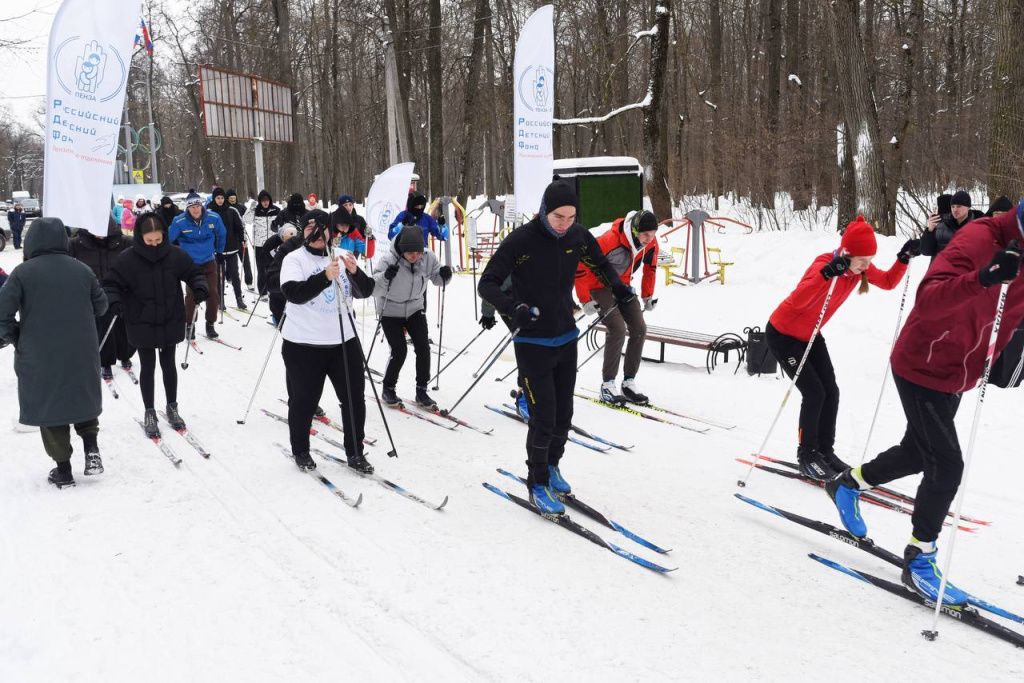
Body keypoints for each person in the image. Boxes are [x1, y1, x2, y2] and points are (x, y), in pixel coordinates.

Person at [826, 205, 1024, 605]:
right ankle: (919, 558)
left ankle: (848, 483)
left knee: (918, 452)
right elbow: (929, 297)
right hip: (922, 363)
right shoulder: (977, 239)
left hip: (958, 370)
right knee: (946, 464)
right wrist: (983, 278)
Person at [478, 179, 632, 515]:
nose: (564, 224)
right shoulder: (521, 240)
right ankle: (536, 483)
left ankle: (551, 466)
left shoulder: (577, 236)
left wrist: (618, 288)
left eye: (571, 217)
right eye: (558, 217)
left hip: (565, 336)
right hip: (532, 341)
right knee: (544, 415)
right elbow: (486, 283)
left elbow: (601, 264)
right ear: (544, 211)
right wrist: (511, 306)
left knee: (564, 413)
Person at [765, 216, 919, 481]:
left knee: (831, 392)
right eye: (863, 261)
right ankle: (807, 454)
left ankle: (825, 450)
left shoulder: (856, 268)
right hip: (783, 334)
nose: (867, 266)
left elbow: (888, 281)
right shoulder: (824, 264)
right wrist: (826, 275)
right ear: (847, 254)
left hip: (810, 335)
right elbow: (798, 302)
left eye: (870, 261)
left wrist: (903, 258)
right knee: (814, 393)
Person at [0, 217, 109, 488]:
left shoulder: (22, 273)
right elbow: (102, 306)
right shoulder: (82, 270)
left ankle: (63, 469)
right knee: (81, 394)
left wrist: (16, 336)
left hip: (39, 353)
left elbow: (2, 314)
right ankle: (91, 448)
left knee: (49, 405)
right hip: (81, 348)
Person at [279, 209, 375, 473]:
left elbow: (366, 290)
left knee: (354, 399)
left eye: (323, 229)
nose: (318, 235)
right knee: (304, 401)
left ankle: (355, 452)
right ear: (303, 233)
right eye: (311, 229)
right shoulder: (293, 259)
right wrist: (324, 277)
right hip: (303, 344)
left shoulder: (342, 256)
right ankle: (301, 450)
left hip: (344, 341)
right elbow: (294, 294)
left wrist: (355, 273)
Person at [104, 213, 209, 437]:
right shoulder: (127, 259)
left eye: (158, 240)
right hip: (140, 319)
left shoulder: (175, 255)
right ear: (141, 238)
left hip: (170, 316)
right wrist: (114, 301)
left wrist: (199, 286)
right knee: (148, 366)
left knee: (169, 364)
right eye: (149, 241)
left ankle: (172, 407)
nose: (154, 245)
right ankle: (149, 411)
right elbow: (111, 284)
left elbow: (193, 273)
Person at [574, 209, 660, 404]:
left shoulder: (651, 243)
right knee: (618, 328)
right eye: (646, 234)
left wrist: (647, 296)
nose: (649, 239)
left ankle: (629, 381)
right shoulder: (609, 240)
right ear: (636, 230)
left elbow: (650, 268)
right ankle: (608, 384)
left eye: (653, 234)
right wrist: (585, 299)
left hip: (623, 287)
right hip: (598, 287)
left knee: (639, 328)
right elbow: (581, 265)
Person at [373, 224, 451, 408]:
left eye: (418, 252)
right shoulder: (388, 260)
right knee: (400, 350)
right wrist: (386, 276)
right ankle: (388, 387)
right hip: (390, 310)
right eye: (410, 253)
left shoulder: (427, 257)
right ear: (402, 250)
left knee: (423, 348)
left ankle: (421, 390)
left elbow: (438, 278)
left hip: (415, 308)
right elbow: (373, 288)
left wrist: (445, 275)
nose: (415, 256)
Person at [70, 215, 135, 379]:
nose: (100, 233)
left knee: (122, 325)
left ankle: (125, 354)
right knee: (102, 326)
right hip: (95, 292)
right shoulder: (77, 243)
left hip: (120, 290)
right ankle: (105, 361)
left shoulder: (124, 242)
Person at [169, 190, 226, 339]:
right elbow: (168, 239)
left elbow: (222, 234)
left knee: (213, 293)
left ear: (202, 206)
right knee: (192, 295)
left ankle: (210, 324)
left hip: (208, 261)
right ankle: (189, 325)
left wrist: (220, 252)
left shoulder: (213, 218)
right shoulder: (179, 221)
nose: (195, 209)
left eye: (197, 206)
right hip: (190, 265)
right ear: (187, 208)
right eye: (192, 207)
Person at [207, 188, 247, 310]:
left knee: (235, 274)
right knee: (220, 276)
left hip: (231, 248)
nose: (220, 200)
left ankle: (239, 299)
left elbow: (240, 228)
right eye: (218, 198)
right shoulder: (208, 212)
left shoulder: (232, 211)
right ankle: (220, 300)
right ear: (214, 199)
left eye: (222, 198)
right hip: (216, 251)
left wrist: (242, 240)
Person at [921, 190, 982, 258]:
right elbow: (926, 251)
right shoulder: (942, 224)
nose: (955, 210)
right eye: (953, 206)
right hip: (940, 267)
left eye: (959, 206)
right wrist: (930, 230)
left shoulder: (978, 225)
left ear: (968, 207)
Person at [264, 223, 300, 325]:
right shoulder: (272, 242)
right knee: (276, 297)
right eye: (287, 238)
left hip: (292, 274)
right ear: (282, 236)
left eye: (292, 237)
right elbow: (265, 257)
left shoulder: (298, 243)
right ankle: (277, 317)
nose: (289, 240)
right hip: (276, 272)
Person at [252, 190, 281, 295]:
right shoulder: (255, 211)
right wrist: (251, 208)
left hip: (273, 244)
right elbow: (246, 220)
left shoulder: (276, 210)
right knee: (261, 269)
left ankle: (273, 289)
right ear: (260, 201)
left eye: (267, 200)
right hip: (260, 245)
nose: (265, 202)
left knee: (273, 268)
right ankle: (263, 292)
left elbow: (282, 224)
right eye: (263, 201)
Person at [226, 189, 254, 290]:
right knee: (231, 260)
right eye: (231, 198)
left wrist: (252, 210)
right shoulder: (226, 208)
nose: (233, 200)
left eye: (234, 198)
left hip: (242, 237)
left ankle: (249, 281)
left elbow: (249, 219)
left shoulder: (241, 207)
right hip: (229, 238)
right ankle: (228, 276)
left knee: (245, 260)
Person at [338, 194, 374, 259]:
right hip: (338, 255)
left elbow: (365, 240)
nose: (348, 207)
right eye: (345, 205)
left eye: (350, 204)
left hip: (353, 256)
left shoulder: (359, 220)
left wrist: (369, 236)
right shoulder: (334, 220)